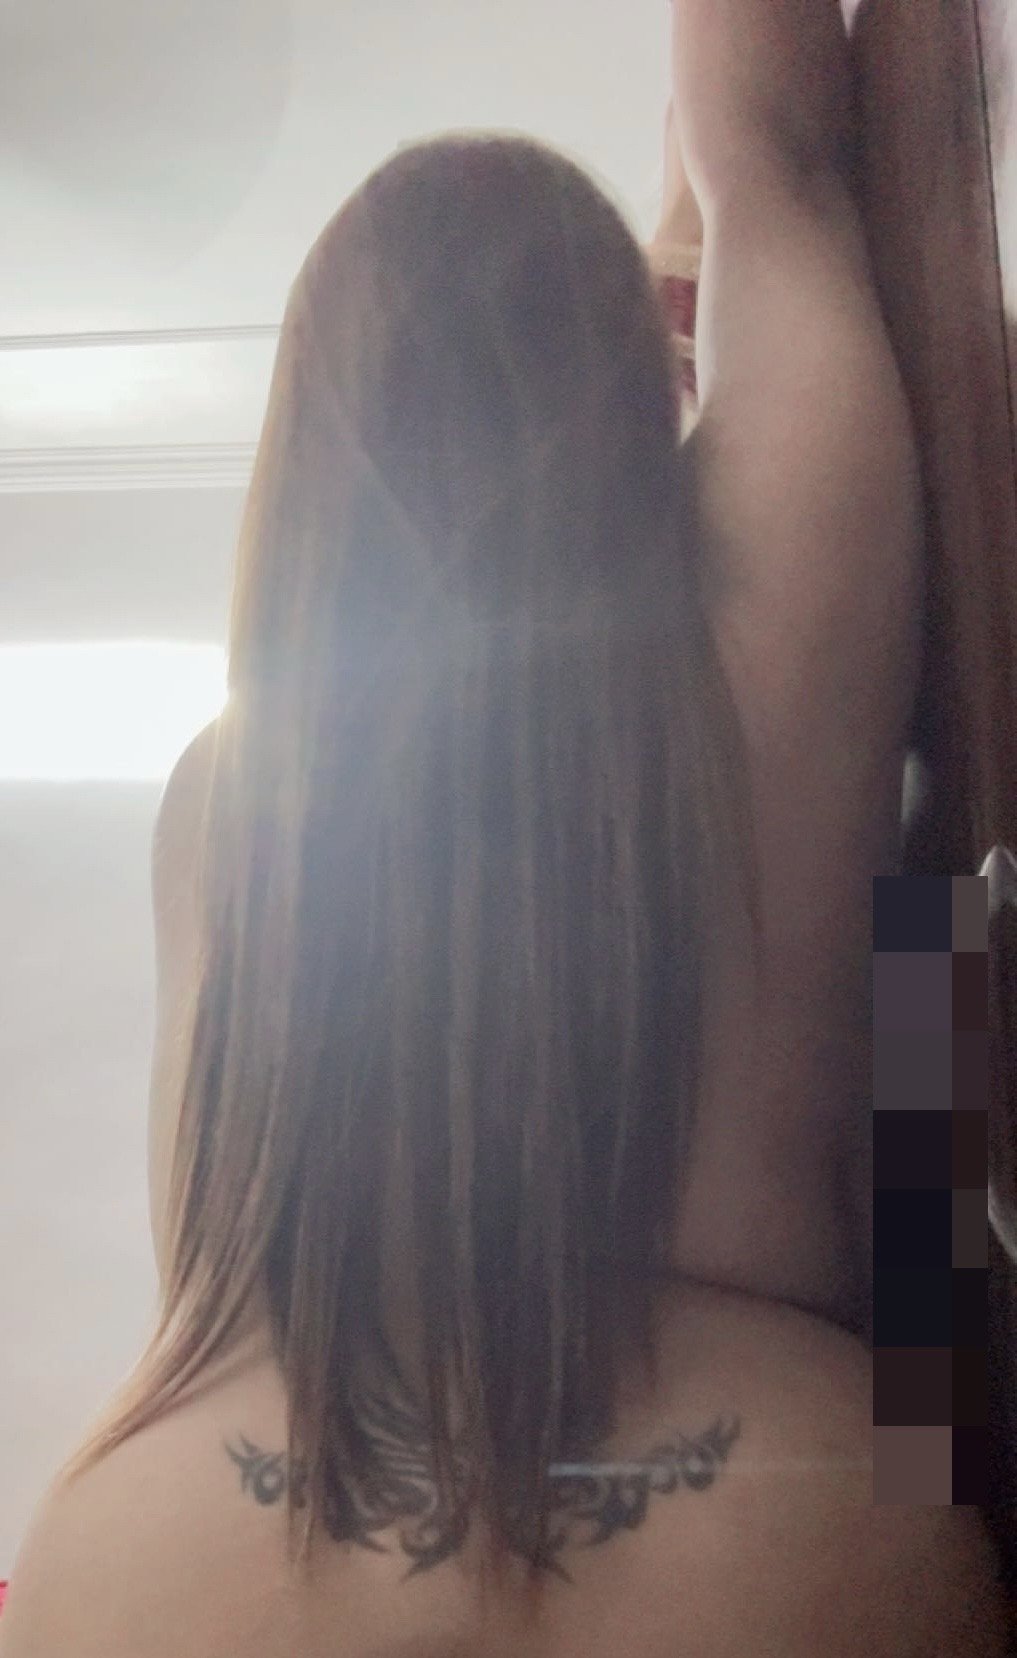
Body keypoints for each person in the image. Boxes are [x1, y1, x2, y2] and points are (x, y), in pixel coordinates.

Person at [0, 2, 1009, 1653]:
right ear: (637, 385)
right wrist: (697, 227)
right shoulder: (774, 639)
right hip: (772, 1507)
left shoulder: (228, 799)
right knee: (930, 999)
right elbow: (777, 153)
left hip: (165, 1552)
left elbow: (210, 1277)